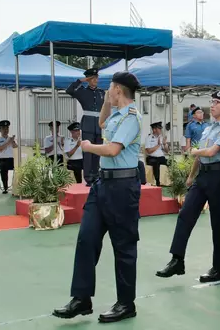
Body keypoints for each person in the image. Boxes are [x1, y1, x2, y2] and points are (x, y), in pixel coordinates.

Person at [53, 71, 142, 324]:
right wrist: (105, 102)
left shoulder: (132, 117)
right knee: (86, 239)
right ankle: (81, 298)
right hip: (102, 184)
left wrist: (89, 147)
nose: (108, 92)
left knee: (123, 246)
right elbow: (102, 123)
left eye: (110, 89)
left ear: (118, 90)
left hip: (123, 187)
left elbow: (113, 149)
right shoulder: (115, 114)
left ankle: (126, 303)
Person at [156, 91, 220, 283]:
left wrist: (194, 150)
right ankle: (177, 259)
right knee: (185, 215)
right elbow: (200, 156)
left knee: (218, 223)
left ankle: (219, 267)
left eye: (217, 102)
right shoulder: (208, 128)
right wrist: (191, 176)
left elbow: (211, 151)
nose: (213, 105)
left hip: (217, 176)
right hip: (202, 176)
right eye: (212, 101)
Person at [66, 68, 106, 186]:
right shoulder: (82, 91)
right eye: (92, 78)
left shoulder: (101, 93)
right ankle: (89, 177)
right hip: (88, 124)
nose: (95, 80)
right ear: (88, 79)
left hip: (99, 125)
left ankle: (96, 175)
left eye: (96, 78)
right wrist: (81, 80)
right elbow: (69, 90)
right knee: (88, 152)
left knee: (97, 151)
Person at [0, 120, 17, 194]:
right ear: (0, 130)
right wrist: (8, 142)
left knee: (19, 165)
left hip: (12, 159)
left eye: (7, 128)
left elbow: (16, 148)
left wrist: (13, 142)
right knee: (3, 166)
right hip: (1, 160)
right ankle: (5, 187)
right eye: (3, 128)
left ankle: (16, 187)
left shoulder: (12, 139)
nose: (6, 130)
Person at [145, 122, 168, 186]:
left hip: (161, 157)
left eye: (160, 128)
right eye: (159, 128)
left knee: (171, 162)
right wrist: (158, 145)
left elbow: (167, 151)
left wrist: (164, 144)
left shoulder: (161, 138)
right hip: (152, 158)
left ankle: (169, 182)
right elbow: (149, 151)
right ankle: (157, 182)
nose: (160, 130)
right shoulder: (149, 138)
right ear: (154, 129)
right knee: (156, 163)